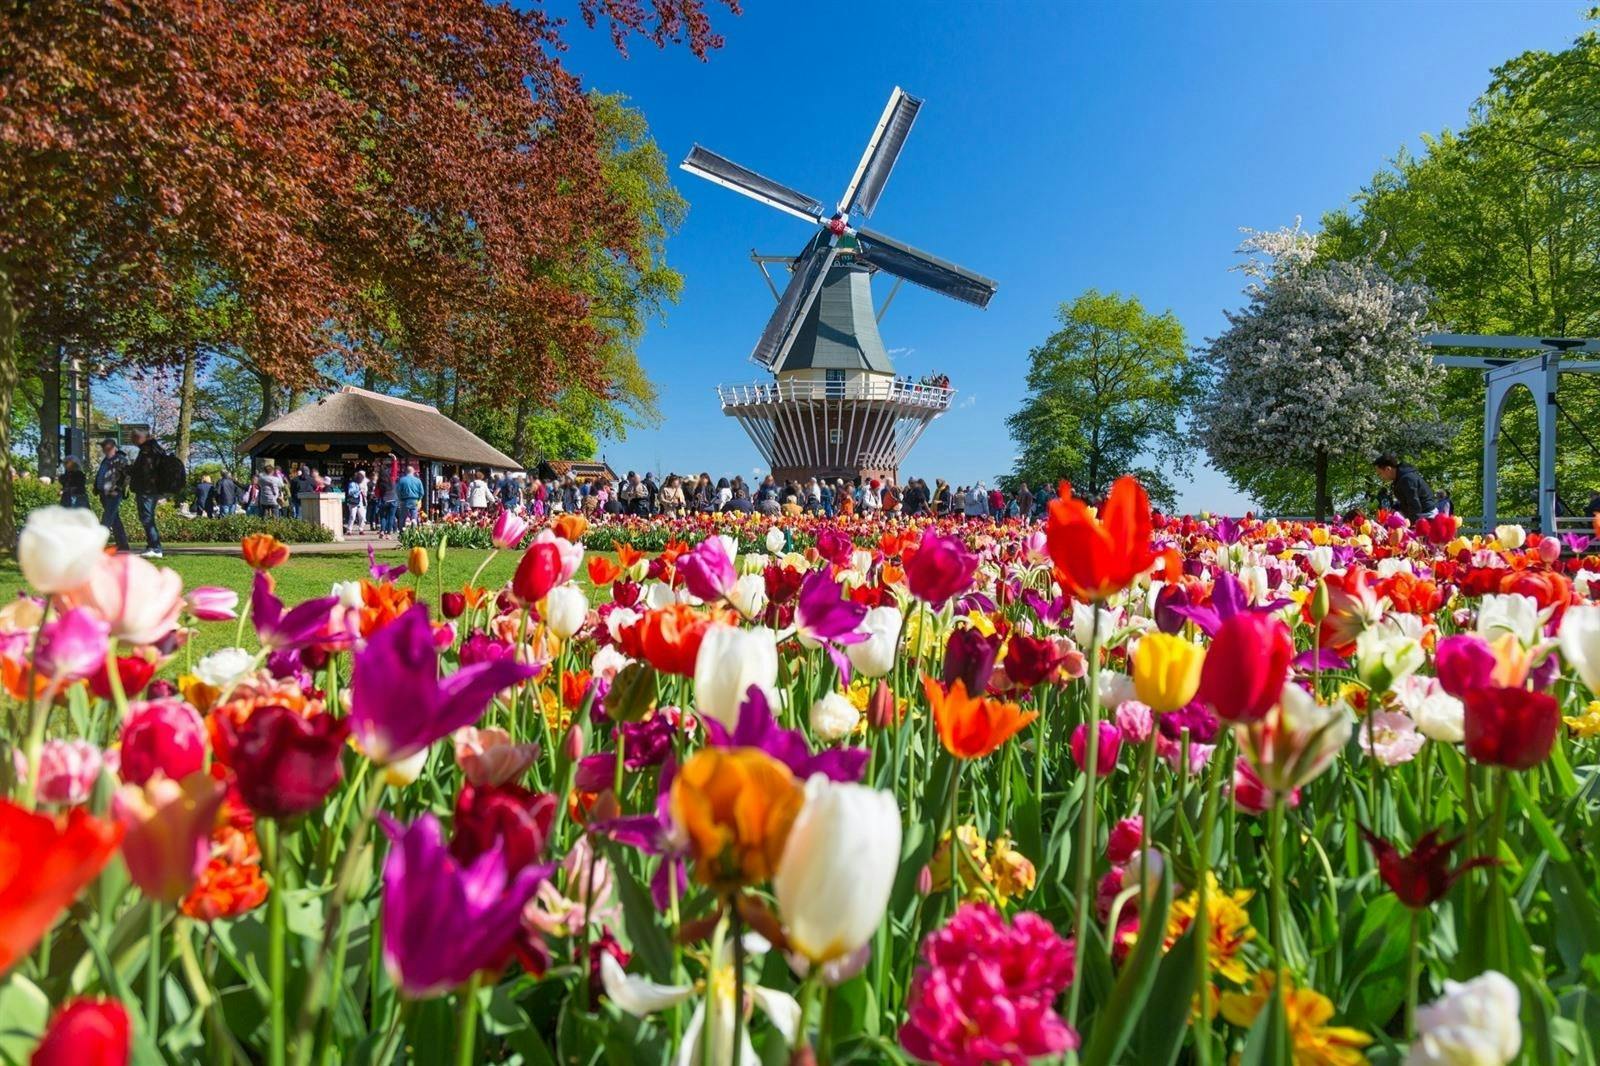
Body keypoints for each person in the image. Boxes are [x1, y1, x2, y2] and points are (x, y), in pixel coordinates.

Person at [126, 429, 168, 558]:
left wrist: (129, 469)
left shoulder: (147, 451)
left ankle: (155, 548)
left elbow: (144, 471)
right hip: (152, 489)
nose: (133, 441)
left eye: (134, 438)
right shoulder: (156, 449)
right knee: (147, 518)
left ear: (142, 438)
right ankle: (152, 546)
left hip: (146, 490)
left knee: (147, 518)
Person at [1373, 454, 1438, 522]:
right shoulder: (1399, 479)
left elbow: (1414, 504)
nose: (1380, 477)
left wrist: (1412, 524)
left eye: (1380, 473)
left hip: (1425, 515)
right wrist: (1396, 507)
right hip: (1419, 514)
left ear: (1388, 469)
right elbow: (1405, 500)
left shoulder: (1407, 479)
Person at [94, 437, 131, 551]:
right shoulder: (106, 460)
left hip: (114, 493)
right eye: (103, 447)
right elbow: (101, 475)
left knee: (107, 518)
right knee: (114, 519)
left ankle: (98, 544)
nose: (104, 449)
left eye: (106, 447)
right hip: (103, 493)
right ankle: (123, 544)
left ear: (112, 447)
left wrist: (119, 488)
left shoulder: (120, 459)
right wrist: (96, 486)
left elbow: (126, 476)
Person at [396, 463, 425, 527]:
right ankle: (413, 531)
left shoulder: (402, 480)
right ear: (413, 472)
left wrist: (400, 499)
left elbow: (397, 491)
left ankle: (402, 531)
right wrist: (419, 499)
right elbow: (422, 492)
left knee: (402, 517)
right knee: (414, 516)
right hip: (414, 500)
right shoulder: (418, 480)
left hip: (404, 500)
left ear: (406, 471)